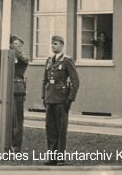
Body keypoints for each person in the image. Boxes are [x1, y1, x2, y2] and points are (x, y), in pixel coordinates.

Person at [42, 35, 80, 166]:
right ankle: (52, 157)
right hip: (50, 99)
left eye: (56, 44)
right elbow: (45, 81)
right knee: (50, 128)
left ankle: (60, 158)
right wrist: (44, 97)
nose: (53, 46)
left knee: (61, 128)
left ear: (62, 45)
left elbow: (75, 81)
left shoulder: (67, 61)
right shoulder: (49, 61)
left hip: (61, 99)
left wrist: (70, 99)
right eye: (52, 44)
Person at [10, 35, 30, 152]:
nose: (17, 46)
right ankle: (8, 144)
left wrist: (13, 46)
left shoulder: (22, 56)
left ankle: (16, 147)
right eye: (15, 43)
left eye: (19, 44)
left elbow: (20, 56)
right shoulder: (10, 54)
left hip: (17, 89)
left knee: (17, 121)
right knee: (9, 120)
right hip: (7, 88)